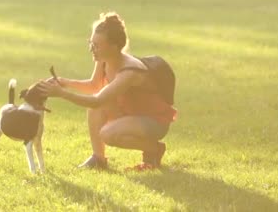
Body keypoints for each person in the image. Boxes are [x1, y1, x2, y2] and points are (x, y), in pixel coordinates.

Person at [38, 12, 177, 171]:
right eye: (91, 43)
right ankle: (99, 159)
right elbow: (94, 85)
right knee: (94, 109)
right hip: (131, 114)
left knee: (108, 134)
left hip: (153, 121)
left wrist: (62, 94)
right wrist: (64, 82)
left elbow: (98, 99)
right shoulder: (104, 59)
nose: (92, 49)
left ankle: (153, 149)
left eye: (97, 45)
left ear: (114, 46)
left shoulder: (130, 72)